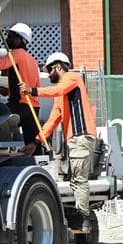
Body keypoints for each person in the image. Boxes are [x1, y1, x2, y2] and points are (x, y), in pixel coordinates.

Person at [32, 51, 98, 232]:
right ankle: (81, 216)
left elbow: (58, 89)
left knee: (78, 179)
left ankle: (84, 218)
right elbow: (54, 118)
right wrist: (38, 139)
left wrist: (33, 91)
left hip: (81, 136)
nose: (48, 75)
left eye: (49, 71)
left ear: (58, 67)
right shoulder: (62, 93)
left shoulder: (71, 78)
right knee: (75, 179)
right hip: (76, 139)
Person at [0, 22, 42, 155]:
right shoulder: (32, 60)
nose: (7, 39)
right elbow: (32, 85)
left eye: (10, 36)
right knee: (32, 146)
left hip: (20, 105)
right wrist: (8, 91)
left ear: (19, 40)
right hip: (33, 107)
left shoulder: (17, 53)